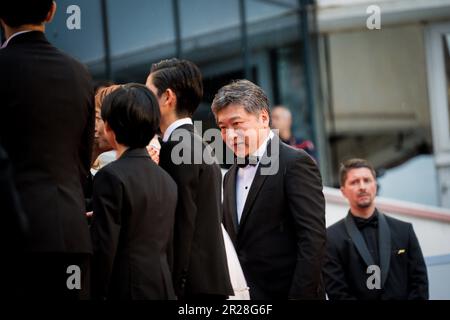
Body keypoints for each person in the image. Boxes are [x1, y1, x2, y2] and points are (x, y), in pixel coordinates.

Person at [0, 0, 94, 298]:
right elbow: (82, 159)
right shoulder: (79, 73)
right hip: (71, 233)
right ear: (52, 11)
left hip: (16, 236)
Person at [212, 79, 326, 299]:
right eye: (223, 127)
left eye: (237, 124)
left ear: (264, 119)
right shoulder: (229, 176)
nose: (229, 135)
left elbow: (313, 241)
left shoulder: (295, 162)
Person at [146, 58, 233, 300]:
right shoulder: (195, 141)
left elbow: (182, 221)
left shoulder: (177, 146)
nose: (144, 103)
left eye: (149, 93)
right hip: (205, 282)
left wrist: (175, 285)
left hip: (191, 287)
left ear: (168, 97)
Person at [90, 83, 177, 300]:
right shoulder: (167, 180)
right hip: (163, 287)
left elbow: (104, 250)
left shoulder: (110, 177)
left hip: (126, 290)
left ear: (109, 128)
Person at [323, 158, 429, 300]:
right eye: (354, 182)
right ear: (343, 191)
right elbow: (337, 293)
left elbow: (420, 285)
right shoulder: (331, 238)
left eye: (367, 180)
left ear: (375, 185)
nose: (362, 187)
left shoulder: (404, 231)